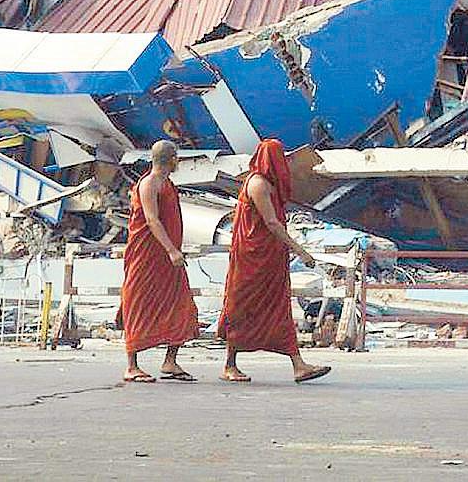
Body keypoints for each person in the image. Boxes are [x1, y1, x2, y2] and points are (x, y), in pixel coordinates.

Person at [218, 138, 331, 384]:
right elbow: (271, 222)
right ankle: (229, 364)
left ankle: (298, 364)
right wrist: (301, 251)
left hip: (270, 259)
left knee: (278, 309)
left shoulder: (270, 184)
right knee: (242, 307)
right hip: (251, 260)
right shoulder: (258, 184)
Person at [120, 140, 200, 383]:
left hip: (168, 258)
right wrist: (171, 250)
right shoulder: (148, 184)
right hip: (148, 255)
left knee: (181, 304)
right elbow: (152, 220)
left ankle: (170, 361)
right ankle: (132, 365)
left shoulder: (167, 184)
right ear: (172, 159)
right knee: (138, 304)